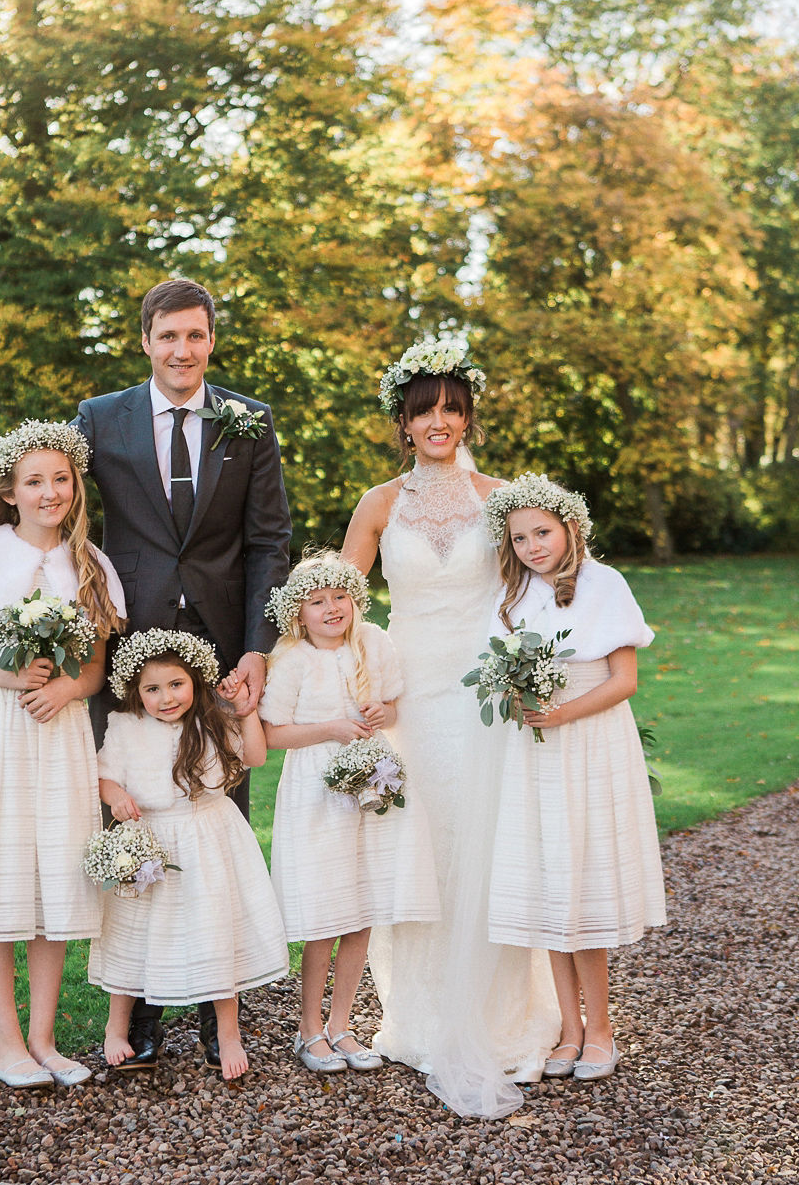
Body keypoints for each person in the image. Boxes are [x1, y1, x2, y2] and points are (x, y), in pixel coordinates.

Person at [0, 277, 292, 1068]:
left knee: (216, 814)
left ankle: (216, 992)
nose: (182, 350)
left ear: (211, 340)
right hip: (122, 648)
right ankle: (143, 998)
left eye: (195, 336)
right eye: (168, 337)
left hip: (220, 648)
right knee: (130, 810)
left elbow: (270, 541)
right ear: (147, 341)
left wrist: (258, 647)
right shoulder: (99, 419)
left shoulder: (249, 421)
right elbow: (13, 487)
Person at [343, 341, 558, 1113]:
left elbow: (546, 583)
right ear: (403, 422)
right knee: (420, 851)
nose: (439, 421)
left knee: (484, 845)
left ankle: (503, 1019)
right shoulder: (377, 504)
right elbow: (344, 607)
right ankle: (422, 1019)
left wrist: (555, 670)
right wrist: (359, 691)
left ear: (467, 416)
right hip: (409, 699)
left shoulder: (501, 498)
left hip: (483, 697)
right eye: (424, 410)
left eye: (452, 409)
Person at [0, 421, 127, 1089]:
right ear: (8, 490)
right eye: (34, 482)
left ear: (76, 487)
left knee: (54, 876)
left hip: (59, 732)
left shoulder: (91, 565)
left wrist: (64, 688)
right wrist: (13, 680)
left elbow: (95, 671)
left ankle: (44, 1039)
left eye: (61, 480)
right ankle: (4, 1044)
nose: (49, 493)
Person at [479, 474, 666, 1083]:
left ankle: (602, 1029)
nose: (534, 546)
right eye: (521, 537)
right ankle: (569, 1027)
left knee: (582, 881)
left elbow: (624, 681)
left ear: (569, 528)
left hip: (587, 739)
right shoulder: (512, 597)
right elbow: (498, 674)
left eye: (543, 532)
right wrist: (513, 698)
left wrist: (559, 713)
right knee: (548, 883)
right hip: (534, 751)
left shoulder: (604, 584)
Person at [259, 553, 439, 1074]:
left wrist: (386, 713)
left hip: (373, 781)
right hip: (318, 791)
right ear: (299, 614)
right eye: (317, 602)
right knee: (327, 910)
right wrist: (332, 729)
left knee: (362, 907)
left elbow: (395, 705)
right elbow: (272, 735)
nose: (331, 608)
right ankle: (309, 1028)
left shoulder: (373, 643)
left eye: (340, 597)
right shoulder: (290, 659)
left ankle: (342, 1024)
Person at [88, 629, 288, 1082]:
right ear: (136, 693)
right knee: (132, 934)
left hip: (208, 838)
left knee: (214, 929)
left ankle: (227, 1030)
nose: (165, 698)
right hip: (149, 841)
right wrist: (116, 795)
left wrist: (246, 710)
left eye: (175, 684)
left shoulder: (212, 721)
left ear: (194, 681)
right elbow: (103, 776)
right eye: (152, 689)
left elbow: (255, 756)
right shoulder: (124, 726)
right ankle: (117, 1029)